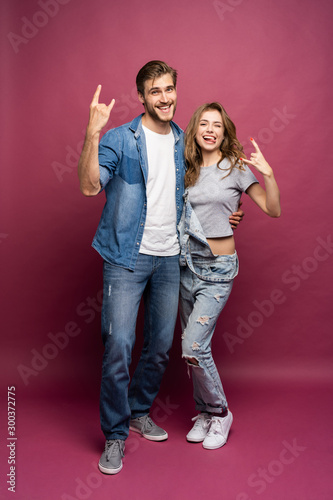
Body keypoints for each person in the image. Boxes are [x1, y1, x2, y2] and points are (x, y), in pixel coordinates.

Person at [78, 61, 244, 474]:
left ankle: (138, 411)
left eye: (170, 89)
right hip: (126, 258)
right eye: (156, 91)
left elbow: (211, 186)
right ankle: (115, 436)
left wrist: (231, 214)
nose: (165, 97)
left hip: (173, 259)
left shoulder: (183, 143)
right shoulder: (120, 139)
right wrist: (91, 133)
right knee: (118, 346)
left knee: (159, 348)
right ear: (142, 96)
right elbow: (87, 185)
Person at [178, 102, 281, 450]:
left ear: (224, 132)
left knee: (192, 344)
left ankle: (221, 414)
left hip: (218, 271)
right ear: (194, 130)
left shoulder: (236, 169)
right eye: (203, 124)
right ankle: (204, 412)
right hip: (184, 267)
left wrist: (267, 173)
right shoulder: (185, 169)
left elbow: (273, 209)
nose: (210, 129)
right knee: (193, 349)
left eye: (217, 125)